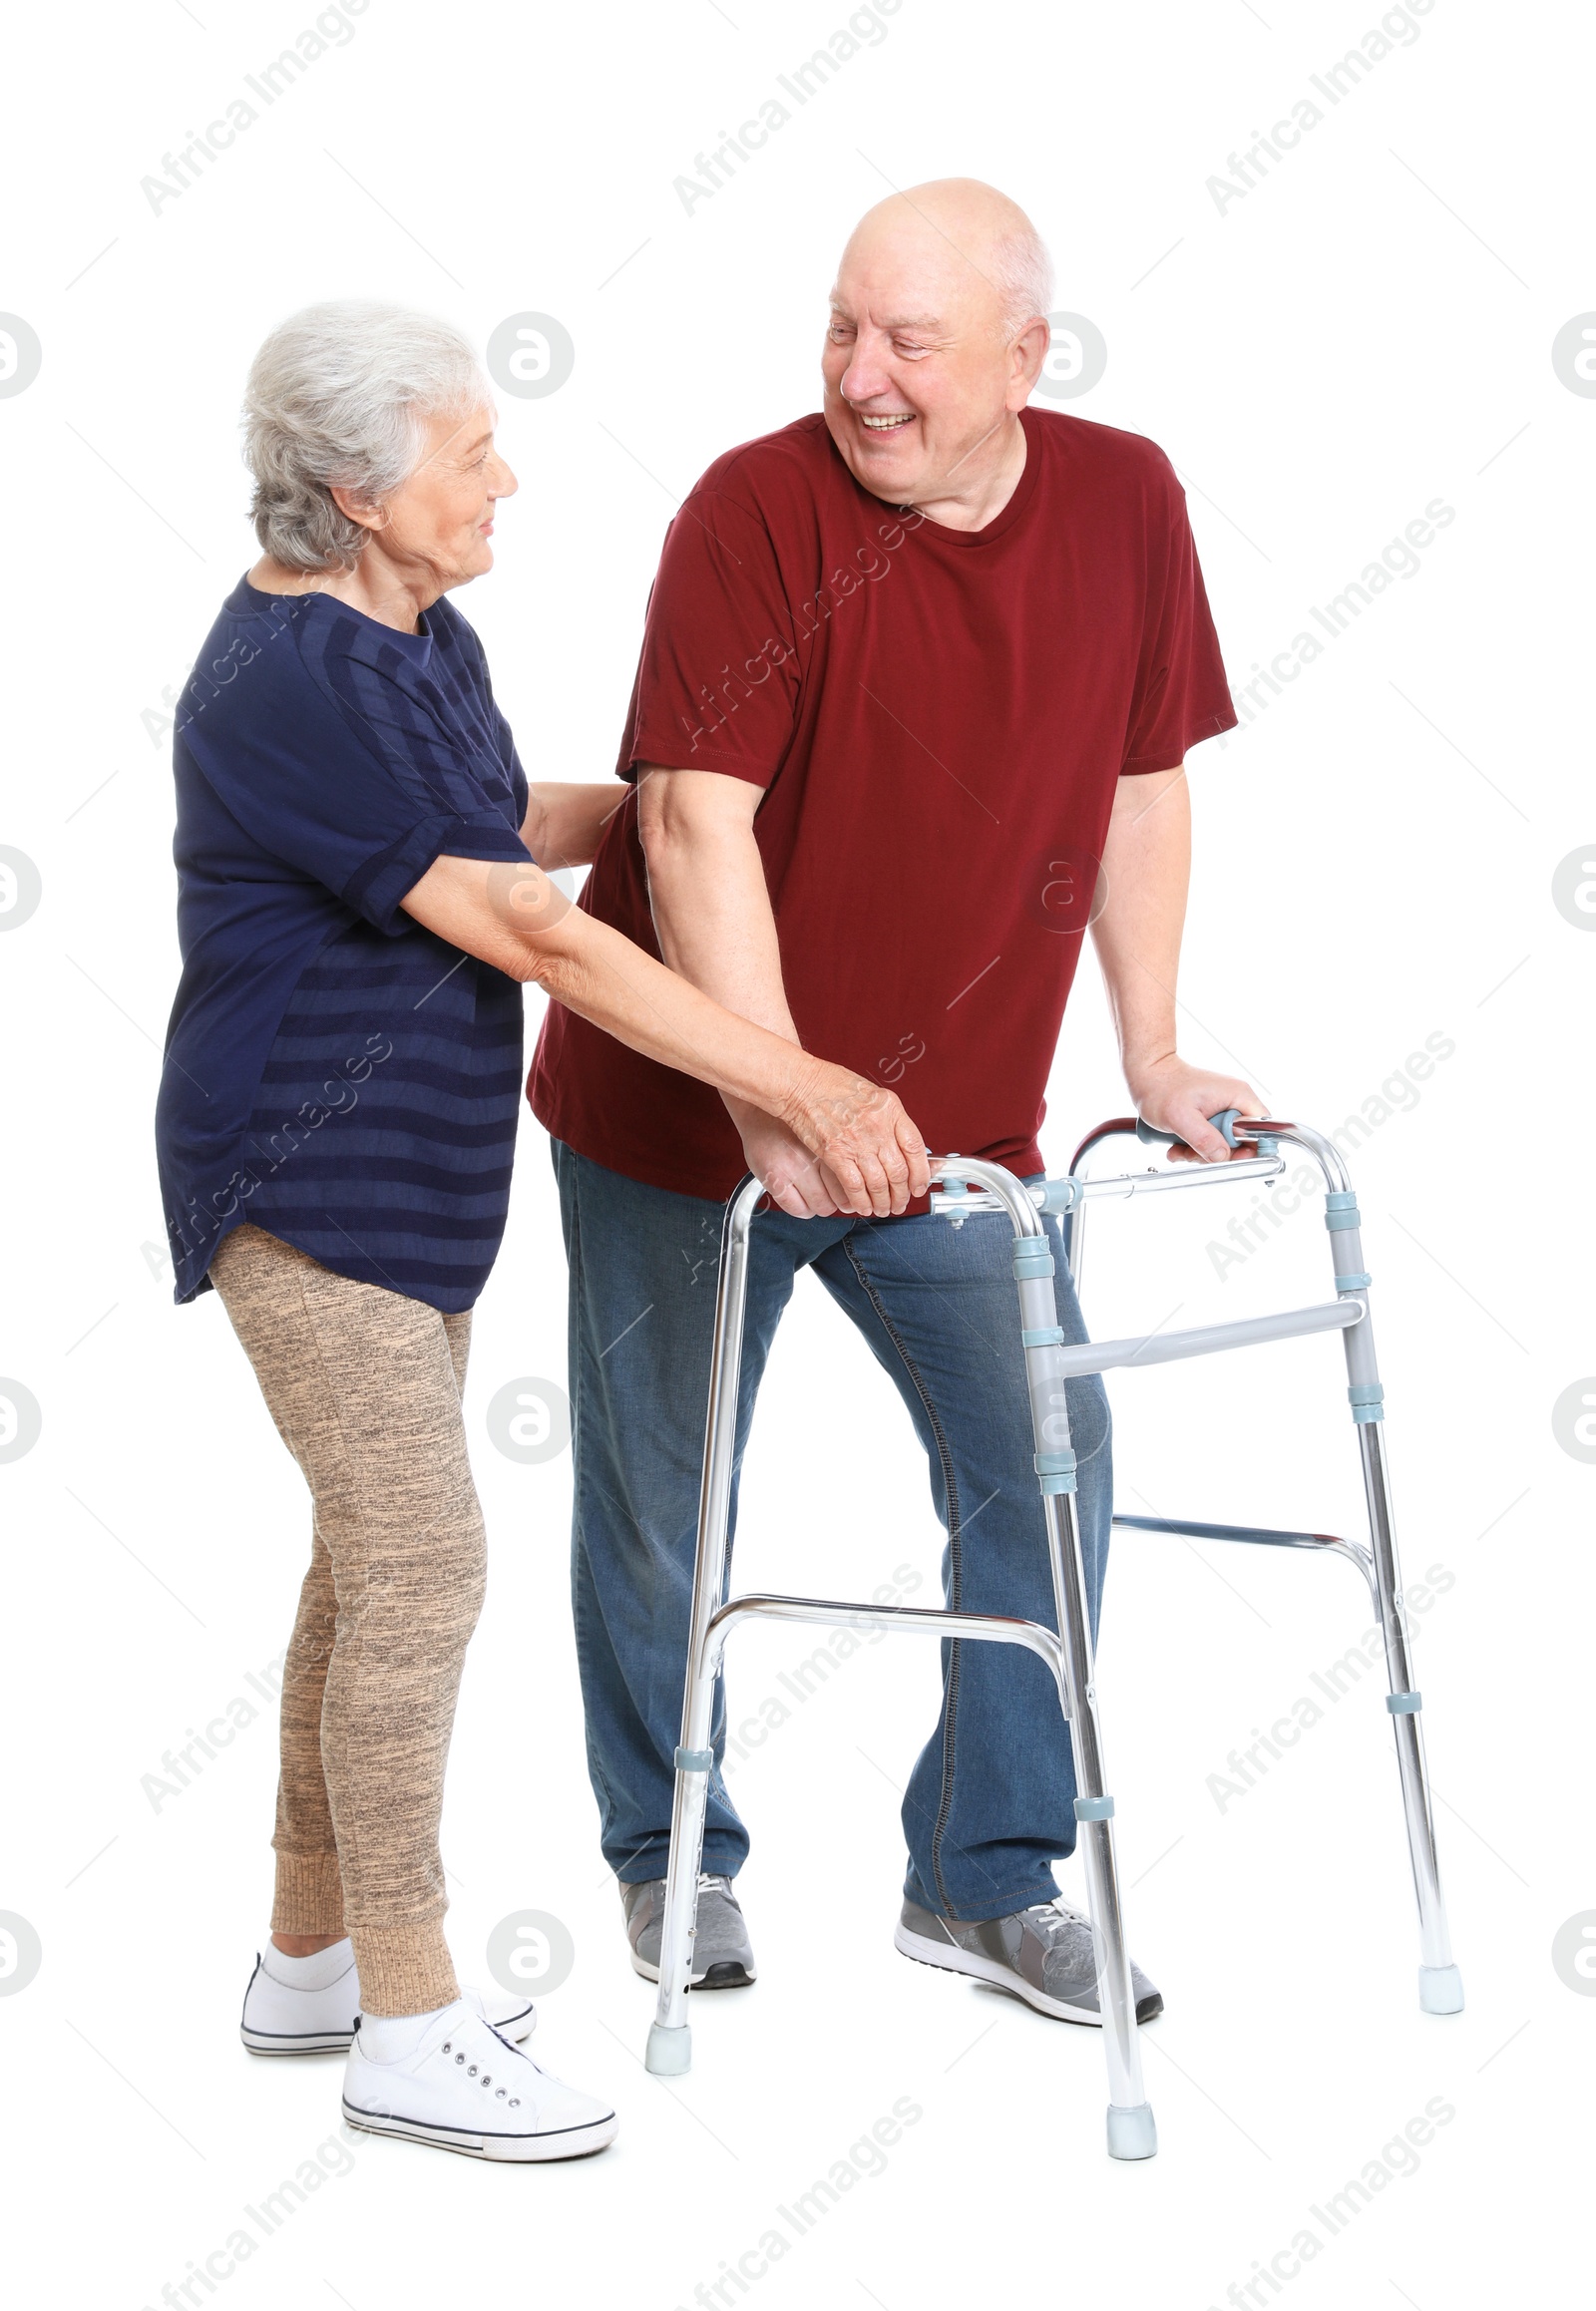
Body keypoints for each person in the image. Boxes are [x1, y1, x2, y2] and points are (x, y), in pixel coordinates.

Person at [156, 300, 926, 2161]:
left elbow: (509, 819)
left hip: (413, 1201)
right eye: (468, 448)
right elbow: (537, 929)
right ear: (357, 488)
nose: (506, 472)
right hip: (300, 1189)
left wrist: (690, 798)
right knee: (427, 1569)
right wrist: (802, 1082)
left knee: (364, 1571)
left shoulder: (420, 635)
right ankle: (409, 2020)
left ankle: (309, 1958)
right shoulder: (288, 681)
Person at [531, 181, 1256, 2023]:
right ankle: (670, 1855)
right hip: (689, 1109)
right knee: (661, 1501)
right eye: (841, 327)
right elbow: (695, 819)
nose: (862, 376)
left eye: (909, 341)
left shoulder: (1128, 499)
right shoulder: (751, 511)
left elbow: (1143, 784)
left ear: (1029, 355)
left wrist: (1151, 1052)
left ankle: (983, 1873)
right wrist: (781, 1095)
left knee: (1046, 1469)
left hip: (955, 1135)